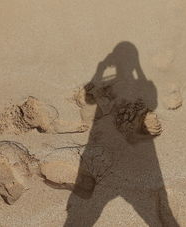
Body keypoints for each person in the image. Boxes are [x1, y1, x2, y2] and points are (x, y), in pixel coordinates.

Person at [63, 41, 179, 226]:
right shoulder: (143, 84)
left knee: (78, 215)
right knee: (158, 216)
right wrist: (137, 69)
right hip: (139, 161)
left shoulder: (128, 87)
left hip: (106, 155)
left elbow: (90, 97)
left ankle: (140, 124)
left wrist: (100, 70)